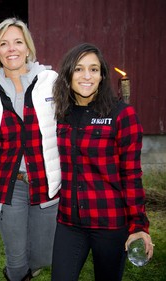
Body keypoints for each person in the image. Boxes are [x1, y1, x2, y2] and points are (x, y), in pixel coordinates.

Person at [51, 42, 154, 281]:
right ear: (68, 73)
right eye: (79, 69)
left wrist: (138, 224)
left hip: (109, 222)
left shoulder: (121, 114)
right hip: (69, 220)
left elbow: (131, 174)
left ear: (102, 75)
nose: (87, 76)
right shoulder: (61, 113)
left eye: (94, 69)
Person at [0, 18, 61, 281]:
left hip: (46, 182)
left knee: (43, 255)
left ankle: (27, 269)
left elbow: (68, 122)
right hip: (9, 185)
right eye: (3, 43)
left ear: (28, 47)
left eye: (17, 42)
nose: (11, 48)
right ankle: (17, 273)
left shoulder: (51, 81)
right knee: (16, 255)